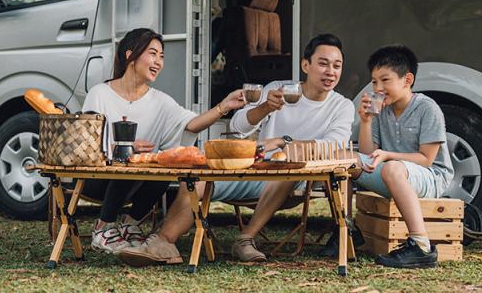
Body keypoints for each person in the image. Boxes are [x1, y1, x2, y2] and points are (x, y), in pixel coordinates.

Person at [119, 33, 355, 266]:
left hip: (296, 176)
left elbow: (335, 144)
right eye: (323, 64)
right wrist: (263, 108)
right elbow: (237, 126)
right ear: (306, 65)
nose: (330, 72)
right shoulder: (278, 89)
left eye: (337, 66)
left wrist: (284, 142)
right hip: (254, 168)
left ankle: (245, 239)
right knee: (198, 178)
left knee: (285, 170)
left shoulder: (341, 106)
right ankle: (163, 243)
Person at [82, 28, 245, 254]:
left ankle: (131, 223)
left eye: (161, 56)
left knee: (164, 163)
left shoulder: (160, 101)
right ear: (130, 55)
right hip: (96, 178)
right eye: (153, 54)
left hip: (133, 181)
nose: (158, 61)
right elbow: (87, 144)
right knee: (129, 159)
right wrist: (124, 147)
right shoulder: (99, 93)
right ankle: (103, 229)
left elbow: (191, 124)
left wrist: (224, 106)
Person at [353, 45, 454, 268]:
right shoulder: (381, 110)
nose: (378, 88)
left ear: (407, 80)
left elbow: (427, 159)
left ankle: (421, 246)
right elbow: (369, 155)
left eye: (385, 80)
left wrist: (389, 156)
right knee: (348, 159)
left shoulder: (428, 108)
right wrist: (366, 121)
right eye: (374, 82)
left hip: (430, 177)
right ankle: (347, 232)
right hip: (394, 174)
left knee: (392, 168)